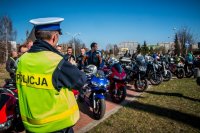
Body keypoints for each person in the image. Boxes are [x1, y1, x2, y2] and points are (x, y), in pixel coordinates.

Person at [16, 17, 86, 133]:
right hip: (56, 127)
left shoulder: (22, 60)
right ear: (54, 37)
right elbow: (80, 80)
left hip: (31, 127)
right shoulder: (56, 61)